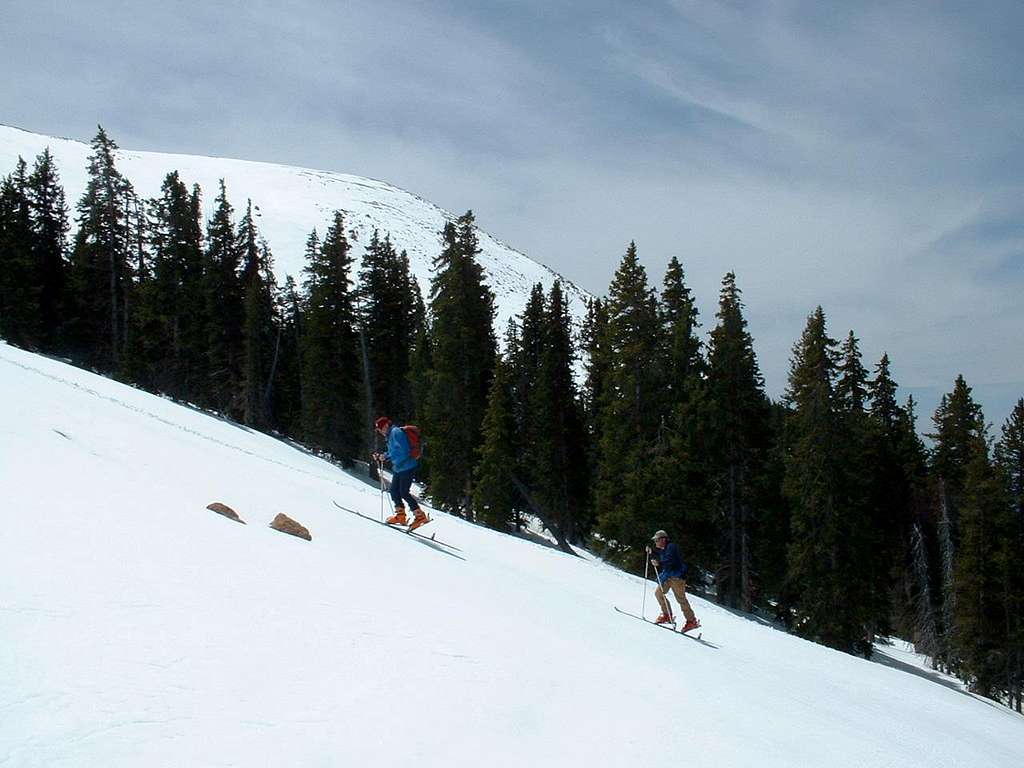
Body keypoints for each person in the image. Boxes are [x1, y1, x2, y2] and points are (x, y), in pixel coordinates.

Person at [372, 416, 428, 530]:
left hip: (407, 466)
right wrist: (384, 456)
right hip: (399, 467)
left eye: (380, 429)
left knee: (404, 492)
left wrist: (388, 457)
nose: (380, 432)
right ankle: (400, 516)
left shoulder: (396, 432)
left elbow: (404, 451)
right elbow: (394, 451)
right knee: (394, 491)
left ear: (386, 426)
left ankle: (420, 516)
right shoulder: (390, 435)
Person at [647, 529, 700, 633]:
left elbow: (670, 561)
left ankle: (691, 621)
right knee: (659, 594)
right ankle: (667, 615)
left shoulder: (671, 547)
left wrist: (658, 562)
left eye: (656, 540)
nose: (655, 542)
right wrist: (651, 551)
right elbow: (659, 552)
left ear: (663, 539)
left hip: (677, 577)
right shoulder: (664, 548)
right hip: (668, 576)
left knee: (680, 599)